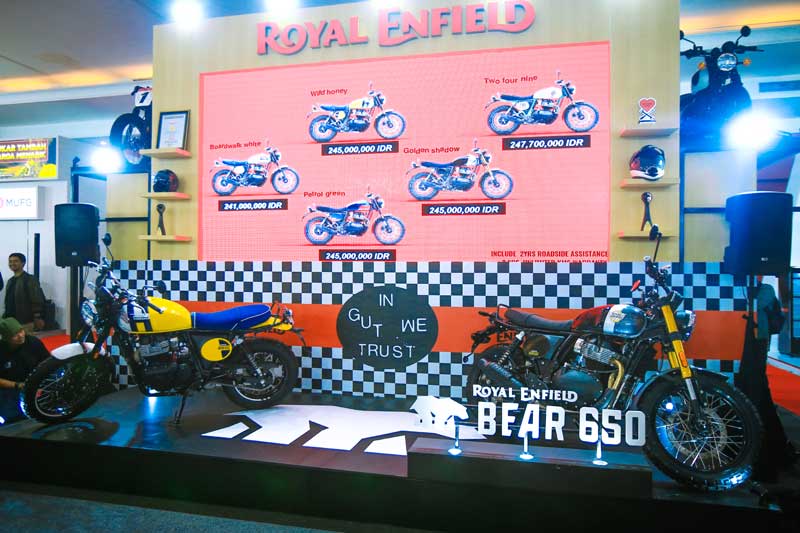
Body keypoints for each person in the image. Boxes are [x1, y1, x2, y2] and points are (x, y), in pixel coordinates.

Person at [0, 318, 50, 423]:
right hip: (11, 388)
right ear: (6, 338)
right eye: (15, 335)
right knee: (12, 416)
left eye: (21, 331)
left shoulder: (33, 342)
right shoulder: (2, 351)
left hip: (37, 384)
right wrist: (18, 385)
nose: (20, 335)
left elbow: (48, 364)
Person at [3, 252, 45, 331]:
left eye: (15, 261)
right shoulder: (10, 281)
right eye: (10, 261)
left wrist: (38, 317)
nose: (12, 263)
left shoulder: (30, 279)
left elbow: (37, 299)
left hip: (25, 322)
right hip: (10, 321)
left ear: (23, 263)